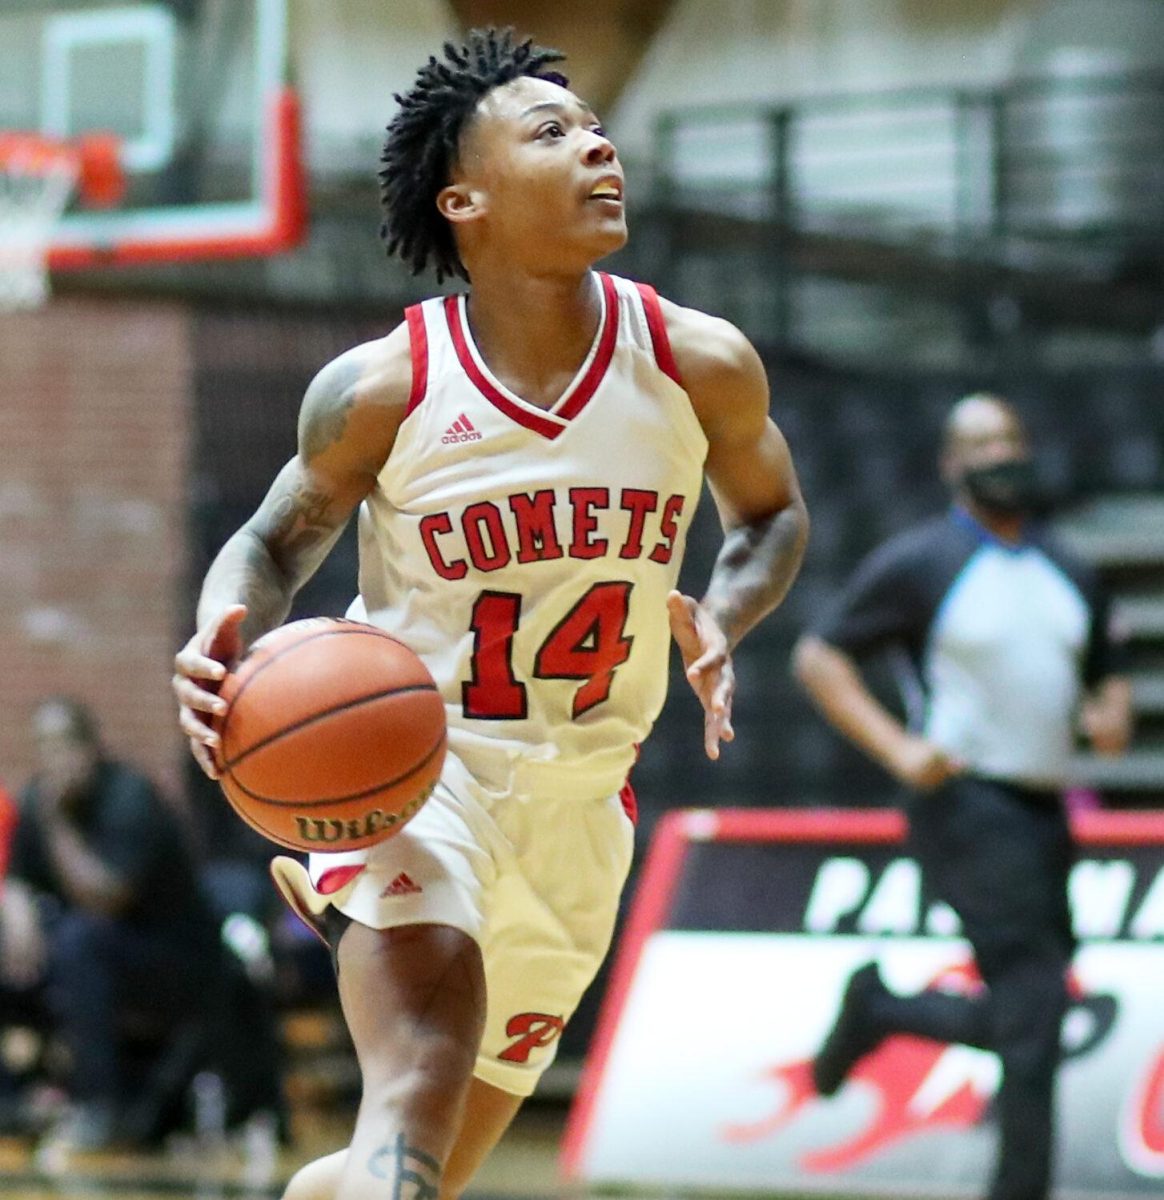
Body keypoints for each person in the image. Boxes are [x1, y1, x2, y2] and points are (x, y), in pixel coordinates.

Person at [172, 27, 808, 1200]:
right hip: (411, 768)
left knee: (418, 1170)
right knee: (414, 1077)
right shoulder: (385, 387)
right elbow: (271, 543)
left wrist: (727, 608)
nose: (599, 143)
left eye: (598, 126)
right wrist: (226, 624)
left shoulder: (698, 361)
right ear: (463, 197)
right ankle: (342, 882)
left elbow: (770, 516)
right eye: (553, 131)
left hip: (581, 807)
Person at [793, 393, 1132, 1200]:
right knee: (1034, 1003)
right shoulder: (923, 562)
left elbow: (1104, 684)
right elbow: (819, 658)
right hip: (967, 806)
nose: (999, 453)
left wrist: (1109, 713)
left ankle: (881, 1011)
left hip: (1046, 810)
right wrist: (899, 749)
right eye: (979, 443)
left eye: (1009, 437)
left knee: (1033, 1014)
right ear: (951, 464)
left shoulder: (1067, 567)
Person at [0, 697, 228, 1150]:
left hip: (179, 961)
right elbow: (19, 880)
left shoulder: (129, 796)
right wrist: (18, 910)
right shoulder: (37, 798)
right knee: (47, 942)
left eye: (65, 744)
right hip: (101, 956)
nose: (55, 758)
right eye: (44, 746)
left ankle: (98, 1106)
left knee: (80, 940)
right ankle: (14, 1100)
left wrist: (56, 822)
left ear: (92, 748)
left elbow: (105, 898)